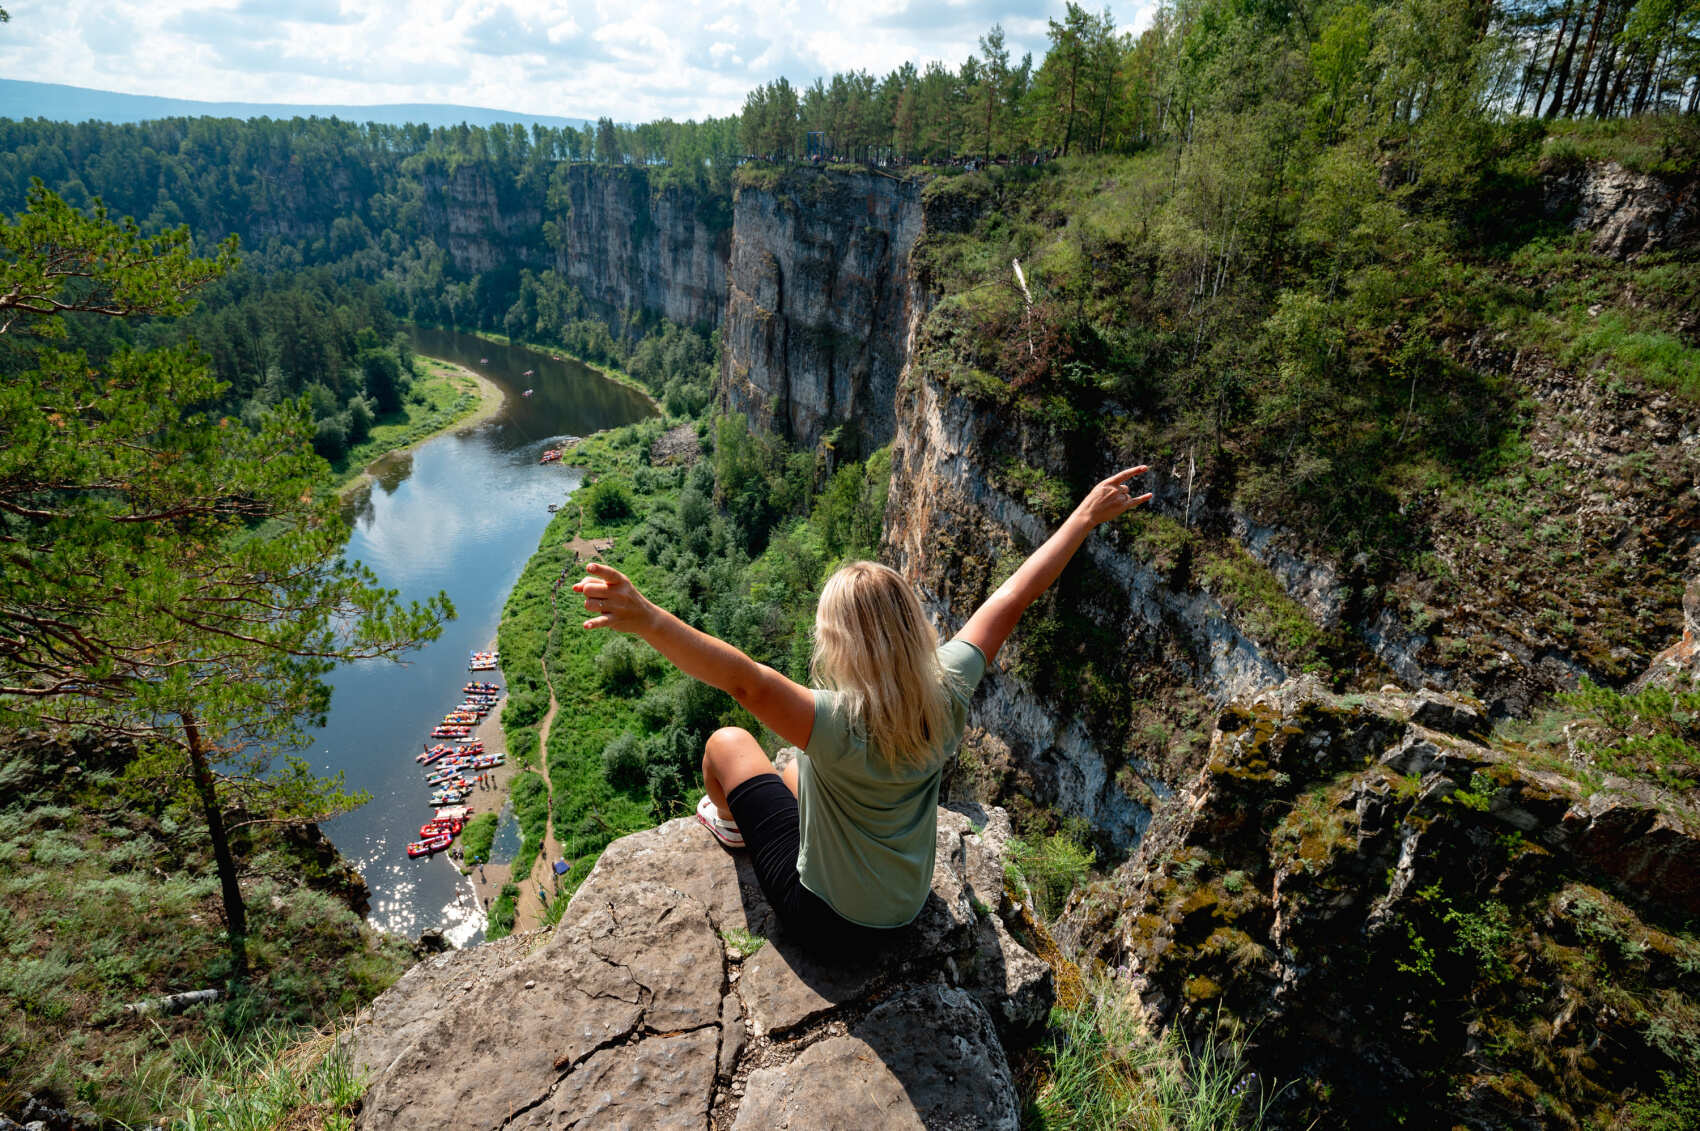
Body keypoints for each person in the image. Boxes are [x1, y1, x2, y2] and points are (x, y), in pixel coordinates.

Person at [571, 465, 1151, 954]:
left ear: (839, 647)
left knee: (727, 744)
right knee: (794, 771)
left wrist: (647, 618)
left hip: (824, 923)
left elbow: (742, 681)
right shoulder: (947, 684)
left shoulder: (831, 720)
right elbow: (1013, 596)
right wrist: (1083, 519)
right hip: (906, 909)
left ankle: (728, 826)